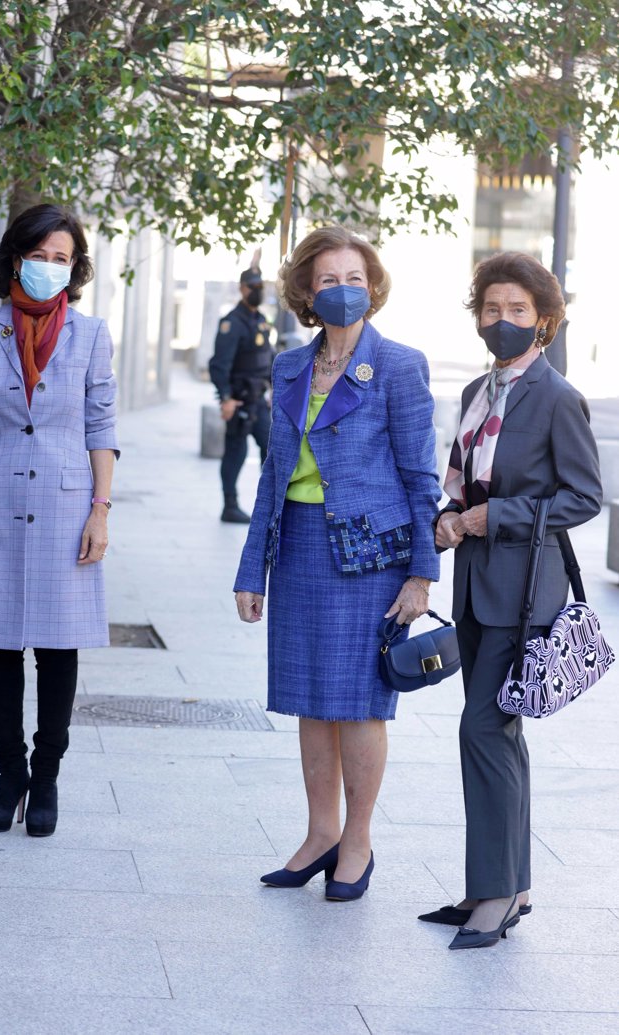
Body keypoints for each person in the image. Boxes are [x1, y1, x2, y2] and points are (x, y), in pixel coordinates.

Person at [234, 225, 441, 901]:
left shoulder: (399, 365)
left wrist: (421, 574)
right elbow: (273, 472)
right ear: (306, 290)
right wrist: (251, 569)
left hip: (370, 557)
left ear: (372, 287)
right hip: (297, 547)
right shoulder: (290, 366)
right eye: (329, 279)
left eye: (355, 278)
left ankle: (357, 840)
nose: (344, 289)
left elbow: (420, 477)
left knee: (358, 703)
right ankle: (320, 832)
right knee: (309, 700)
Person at [420, 252, 602, 948]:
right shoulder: (478, 391)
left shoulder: (556, 397)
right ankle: (506, 885)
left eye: (518, 310)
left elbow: (583, 497)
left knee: (483, 730)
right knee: (501, 735)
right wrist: (449, 519)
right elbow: (465, 481)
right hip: (475, 585)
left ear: (544, 320)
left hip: (525, 592)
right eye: (492, 309)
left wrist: (493, 518)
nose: (503, 320)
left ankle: (494, 894)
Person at [0, 203, 119, 838]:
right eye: (39, 255)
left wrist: (101, 511)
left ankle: (45, 778)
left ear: (74, 268)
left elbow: (101, 426)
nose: (49, 267)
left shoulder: (91, 335)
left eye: (61, 258)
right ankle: (8, 775)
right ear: (15, 260)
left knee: (57, 646)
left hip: (68, 507)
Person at [209, 265, 274, 523]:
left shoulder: (260, 320)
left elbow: (267, 357)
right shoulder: (232, 323)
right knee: (236, 452)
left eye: (261, 287)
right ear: (242, 288)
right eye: (253, 287)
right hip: (238, 399)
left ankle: (270, 504)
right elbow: (219, 364)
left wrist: (274, 387)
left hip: (258, 398)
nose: (258, 291)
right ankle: (230, 505)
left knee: (270, 447)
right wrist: (225, 397)